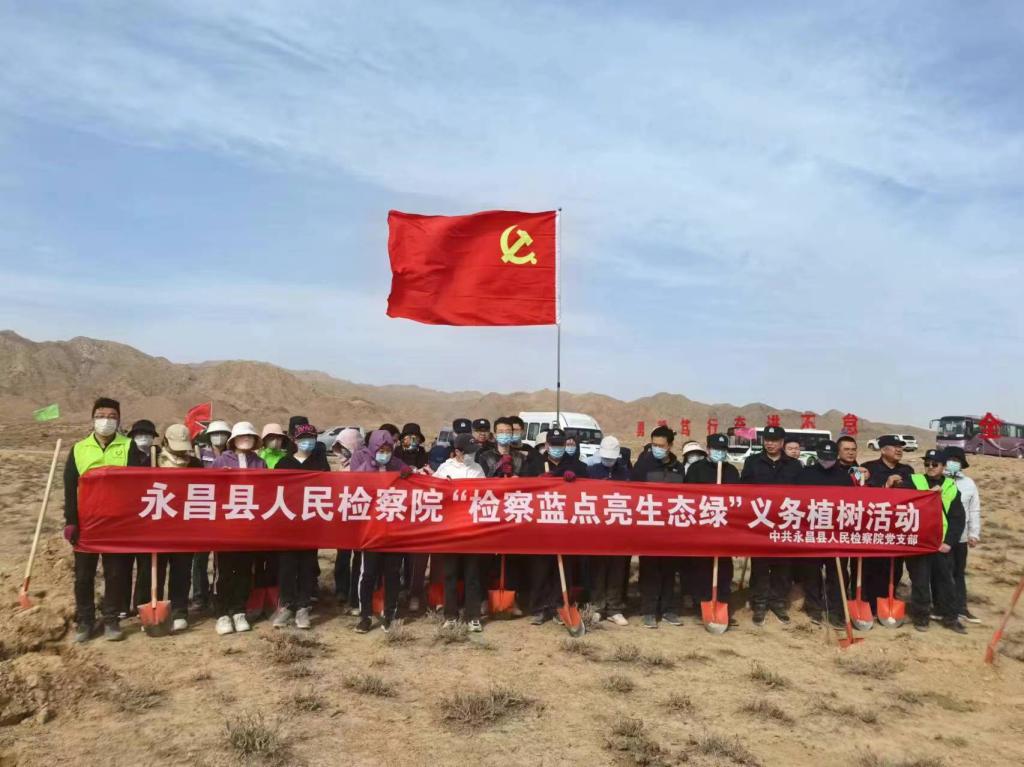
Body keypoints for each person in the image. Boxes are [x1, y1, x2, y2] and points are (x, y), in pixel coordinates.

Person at [64, 397, 146, 642]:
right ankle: (85, 620)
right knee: (83, 575)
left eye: (112, 417)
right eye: (101, 416)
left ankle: (111, 619)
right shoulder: (79, 449)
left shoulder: (129, 447)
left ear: (119, 420)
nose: (106, 421)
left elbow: (137, 485)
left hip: (117, 523)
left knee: (116, 573)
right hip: (87, 523)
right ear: (93, 418)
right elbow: (70, 488)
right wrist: (71, 521)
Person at [741, 425, 802, 625]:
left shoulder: (794, 465)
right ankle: (759, 603)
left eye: (774, 440)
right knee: (760, 565)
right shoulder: (752, 462)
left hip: (785, 522)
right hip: (760, 522)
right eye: (767, 440)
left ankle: (778, 602)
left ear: (782, 442)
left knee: (783, 566)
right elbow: (743, 489)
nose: (770, 443)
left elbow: (803, 494)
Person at [211, 422, 266, 635]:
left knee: (244, 569)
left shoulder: (259, 462)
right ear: (233, 440)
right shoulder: (221, 461)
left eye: (249, 436)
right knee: (224, 570)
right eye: (242, 436)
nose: (246, 439)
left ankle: (239, 610)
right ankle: (222, 613)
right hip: (225, 526)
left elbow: (267, 490)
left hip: (250, 525)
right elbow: (211, 489)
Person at [352, 429, 409, 633]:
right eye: (380, 450)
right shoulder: (364, 470)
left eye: (388, 450)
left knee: (392, 574)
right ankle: (365, 615)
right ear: (373, 448)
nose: (384, 454)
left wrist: (410, 474)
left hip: (394, 532)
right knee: (368, 574)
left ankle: (390, 613)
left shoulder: (398, 466)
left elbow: (413, 483)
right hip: (371, 533)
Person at [904, 450, 967, 634]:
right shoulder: (914, 481)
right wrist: (926, 494)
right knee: (920, 582)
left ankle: (950, 617)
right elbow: (902, 502)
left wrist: (949, 542)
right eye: (927, 464)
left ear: (943, 466)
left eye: (935, 464)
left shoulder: (951, 487)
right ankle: (921, 617)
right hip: (919, 542)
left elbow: (957, 518)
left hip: (941, 543)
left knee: (945, 582)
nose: (930, 467)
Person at [146, 424, 202, 632]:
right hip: (158, 525)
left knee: (182, 569)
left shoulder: (195, 464)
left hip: (185, 526)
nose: (180, 452)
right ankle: (156, 608)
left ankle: (179, 610)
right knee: (156, 568)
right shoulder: (154, 461)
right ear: (165, 442)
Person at [528, 428, 587, 625]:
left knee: (563, 568)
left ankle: (559, 606)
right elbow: (523, 489)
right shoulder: (535, 463)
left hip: (566, 525)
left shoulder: (576, 466)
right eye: (553, 444)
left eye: (560, 444)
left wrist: (575, 482)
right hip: (541, 524)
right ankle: (539, 607)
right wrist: (537, 482)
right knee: (540, 568)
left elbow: (587, 491)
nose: (557, 448)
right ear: (547, 445)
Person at [271, 424, 327, 630]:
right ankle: (287, 606)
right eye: (303, 438)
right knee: (287, 566)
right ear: (294, 440)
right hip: (287, 523)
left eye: (311, 438)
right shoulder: (283, 463)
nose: (307, 442)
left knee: (307, 565)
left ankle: (303, 606)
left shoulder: (320, 464)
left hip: (311, 523)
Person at [632, 425, 686, 629]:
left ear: (670, 446)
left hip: (671, 529)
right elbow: (632, 492)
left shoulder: (678, 467)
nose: (656, 448)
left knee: (669, 570)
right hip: (649, 527)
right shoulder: (643, 465)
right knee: (650, 570)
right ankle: (648, 610)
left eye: (661, 445)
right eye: (654, 444)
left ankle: (668, 609)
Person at [684, 434, 741, 628]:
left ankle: (722, 601)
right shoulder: (696, 469)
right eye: (716, 449)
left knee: (724, 568)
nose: (720, 453)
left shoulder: (731, 471)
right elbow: (688, 497)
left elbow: (738, 499)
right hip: (702, 527)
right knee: (702, 567)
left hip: (724, 528)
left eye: (723, 450)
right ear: (708, 449)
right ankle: (701, 602)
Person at [796, 440, 854, 628]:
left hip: (836, 534)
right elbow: (796, 501)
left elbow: (851, 504)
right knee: (811, 572)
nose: (827, 460)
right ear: (817, 455)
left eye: (830, 457)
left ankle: (836, 611)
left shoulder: (844, 477)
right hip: (811, 532)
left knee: (837, 574)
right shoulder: (805, 475)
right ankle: (814, 607)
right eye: (824, 457)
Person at [433, 434, 487, 631]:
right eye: (468, 452)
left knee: (472, 574)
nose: (472, 455)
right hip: (450, 529)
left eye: (474, 452)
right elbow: (432, 491)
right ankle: (451, 615)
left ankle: (473, 616)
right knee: (450, 574)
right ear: (457, 451)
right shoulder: (445, 469)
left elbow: (484, 493)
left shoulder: (477, 469)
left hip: (472, 528)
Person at [861, 435, 915, 611]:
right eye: (894, 446)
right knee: (872, 567)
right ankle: (869, 604)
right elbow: (863, 495)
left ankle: (887, 600)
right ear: (883, 450)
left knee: (895, 568)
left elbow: (913, 494)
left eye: (901, 447)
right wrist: (886, 485)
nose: (899, 450)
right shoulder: (868, 468)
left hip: (897, 527)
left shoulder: (907, 470)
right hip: (874, 527)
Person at [586, 436, 630, 626]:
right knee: (598, 569)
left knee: (616, 569)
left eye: (611, 458)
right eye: (606, 457)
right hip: (597, 527)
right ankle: (597, 607)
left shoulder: (625, 472)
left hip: (618, 528)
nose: (608, 461)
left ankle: (614, 608)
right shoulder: (591, 471)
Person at [941, 446, 981, 624]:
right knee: (942, 574)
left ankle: (961, 608)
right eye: (950, 460)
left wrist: (974, 533)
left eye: (957, 461)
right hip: (940, 537)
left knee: (958, 573)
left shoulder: (969, 484)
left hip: (961, 537)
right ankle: (942, 608)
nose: (953, 463)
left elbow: (974, 510)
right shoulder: (937, 480)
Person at [125, 418, 161, 617]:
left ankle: (142, 603)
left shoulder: (158, 455)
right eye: (139, 434)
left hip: (150, 515)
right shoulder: (126, 454)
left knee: (147, 565)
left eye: (147, 434)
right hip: (128, 516)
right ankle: (122, 607)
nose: (143, 438)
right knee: (124, 564)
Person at [332, 427, 364, 611]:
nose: (342, 452)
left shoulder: (364, 467)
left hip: (360, 518)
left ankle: (355, 593)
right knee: (342, 556)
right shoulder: (341, 468)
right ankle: (341, 589)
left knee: (358, 557)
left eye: (345, 448)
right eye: (340, 448)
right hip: (343, 518)